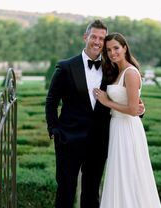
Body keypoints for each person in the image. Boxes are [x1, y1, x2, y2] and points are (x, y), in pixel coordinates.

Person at [45, 20, 144, 208]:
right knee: (65, 190)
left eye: (101, 38)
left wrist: (140, 109)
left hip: (99, 141)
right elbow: (51, 101)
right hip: (68, 139)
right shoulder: (66, 67)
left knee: (92, 193)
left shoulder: (112, 69)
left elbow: (127, 98)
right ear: (86, 37)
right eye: (94, 37)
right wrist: (54, 130)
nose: (97, 41)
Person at [93, 32, 161, 208]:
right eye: (108, 50)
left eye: (116, 48)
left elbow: (132, 110)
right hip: (116, 127)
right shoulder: (116, 71)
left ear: (125, 48)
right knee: (118, 174)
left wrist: (106, 101)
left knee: (130, 175)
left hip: (127, 129)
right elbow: (134, 103)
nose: (112, 53)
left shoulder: (130, 72)